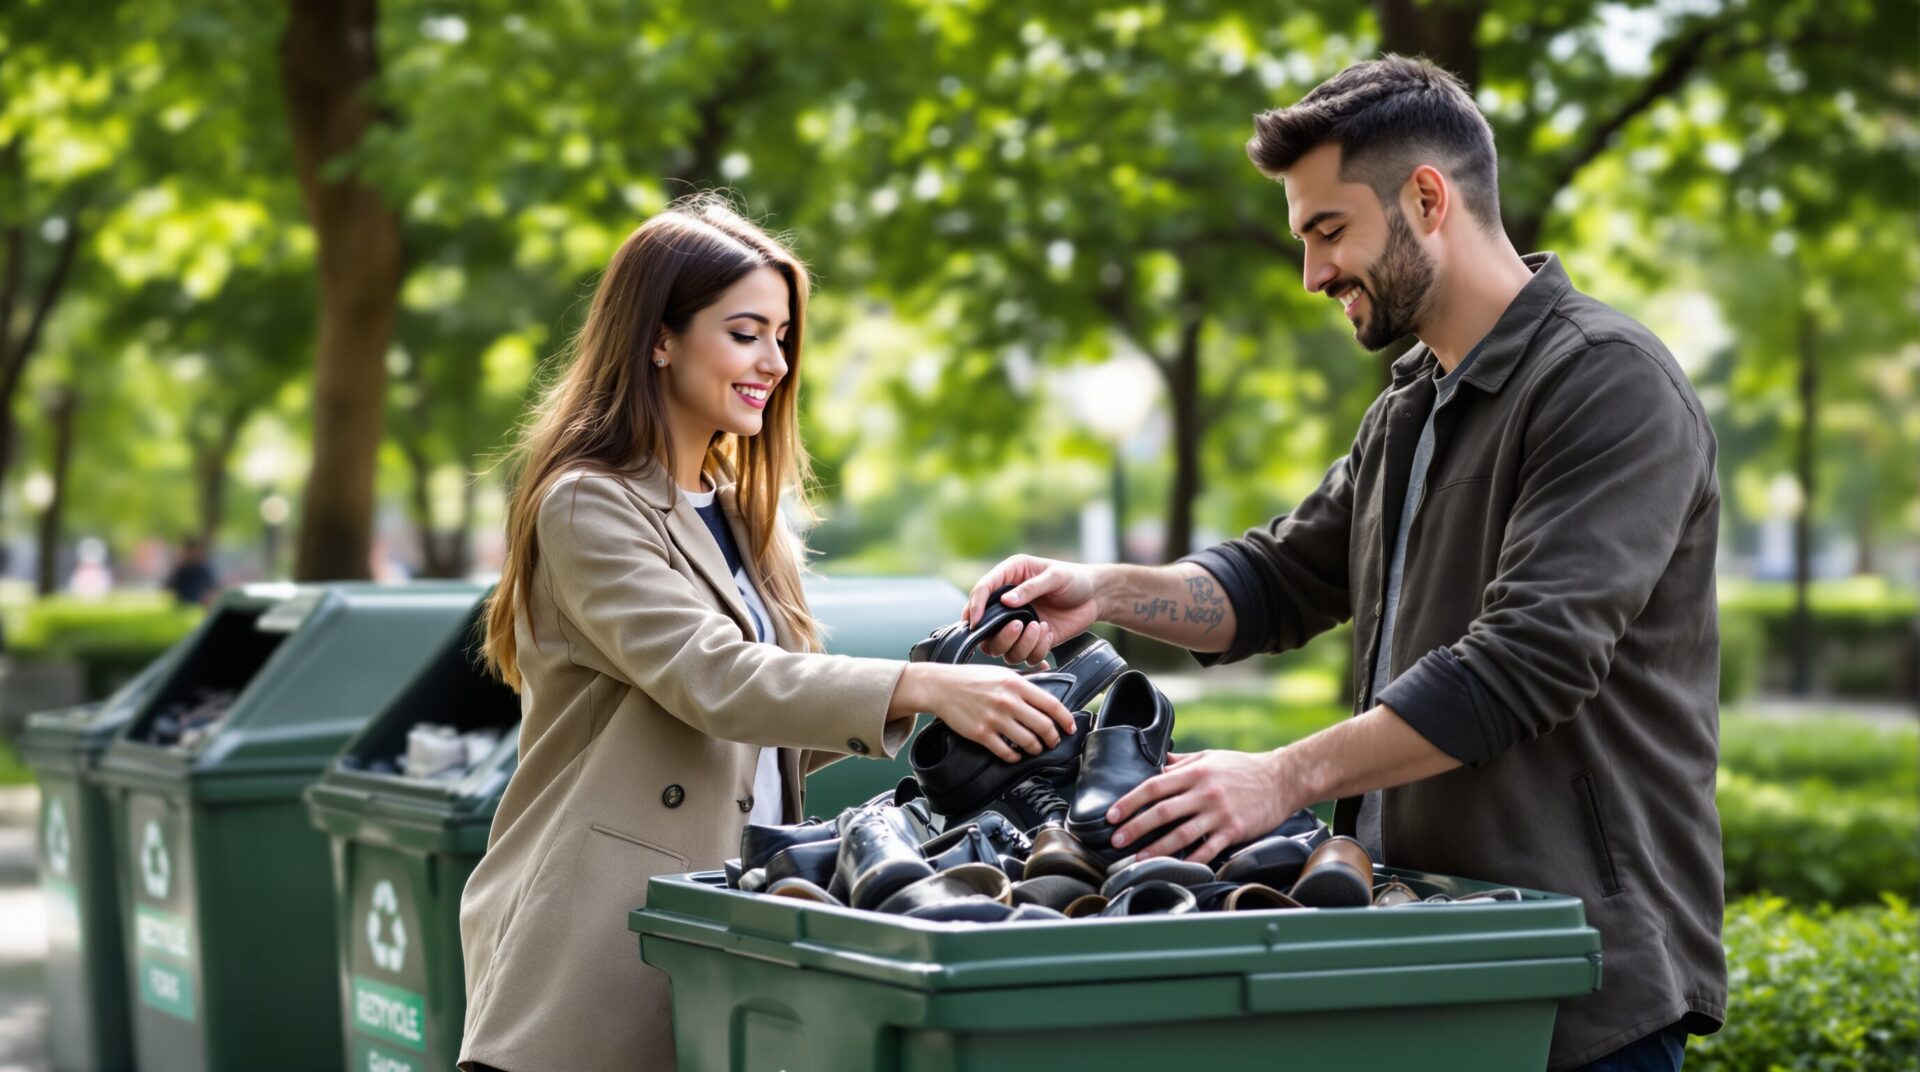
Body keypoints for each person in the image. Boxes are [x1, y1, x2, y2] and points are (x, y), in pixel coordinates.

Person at [966, 56, 1724, 1072]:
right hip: (1421, 955)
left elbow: (1525, 662)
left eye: (1329, 231)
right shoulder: (1410, 406)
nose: (1314, 273)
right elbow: (1273, 583)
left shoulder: (1607, 384)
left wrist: (1280, 778)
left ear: (1426, 198)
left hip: (1578, 986)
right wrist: (1102, 590)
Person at [458, 195, 1075, 1072]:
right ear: (659, 338)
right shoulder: (587, 503)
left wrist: (955, 673)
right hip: (600, 937)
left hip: (727, 920)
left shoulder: (746, 516)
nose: (775, 363)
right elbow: (711, 679)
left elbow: (765, 730)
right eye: (745, 333)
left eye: (782, 337)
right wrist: (922, 691)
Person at [162, 537, 218, 605]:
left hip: (197, 604)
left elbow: (211, 590)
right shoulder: (181, 569)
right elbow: (169, 587)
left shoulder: (203, 570)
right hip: (183, 604)